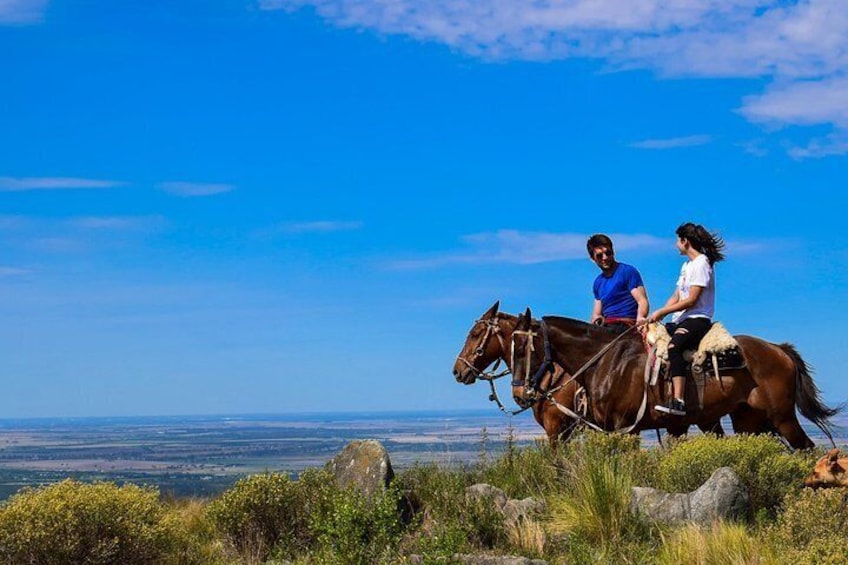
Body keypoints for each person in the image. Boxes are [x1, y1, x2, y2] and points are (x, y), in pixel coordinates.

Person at [647, 223, 726, 416]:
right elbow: (676, 294)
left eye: (677, 240)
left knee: (675, 347)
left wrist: (662, 312)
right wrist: (660, 313)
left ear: (685, 241)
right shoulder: (687, 265)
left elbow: (691, 300)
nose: (675, 245)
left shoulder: (701, 263)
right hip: (681, 319)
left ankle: (679, 400)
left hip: (697, 319)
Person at [587, 234, 649, 333]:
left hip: (626, 325)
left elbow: (642, 301)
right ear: (592, 258)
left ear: (613, 251)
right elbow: (596, 314)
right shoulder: (598, 283)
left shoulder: (627, 271)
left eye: (608, 253)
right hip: (607, 326)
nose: (605, 257)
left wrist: (640, 318)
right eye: (599, 255)